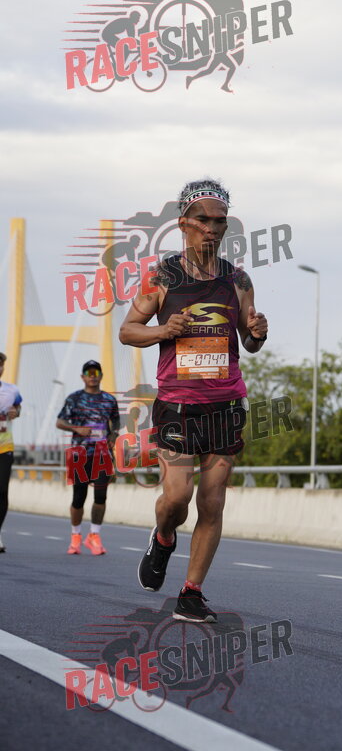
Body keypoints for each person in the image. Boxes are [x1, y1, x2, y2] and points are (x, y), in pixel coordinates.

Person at [119, 179, 268, 622]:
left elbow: (249, 340)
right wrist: (163, 330)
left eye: (220, 221)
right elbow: (127, 331)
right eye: (203, 220)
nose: (212, 228)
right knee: (177, 498)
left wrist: (257, 334)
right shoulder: (162, 277)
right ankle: (164, 537)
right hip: (178, 406)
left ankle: (191, 592)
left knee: (212, 503)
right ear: (182, 222)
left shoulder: (238, 280)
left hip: (225, 406)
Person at [57, 361, 120, 556]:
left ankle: (94, 535)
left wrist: (113, 436)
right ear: (83, 377)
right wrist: (77, 428)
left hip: (102, 453)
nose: (93, 376)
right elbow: (60, 421)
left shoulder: (109, 400)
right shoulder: (74, 398)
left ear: (101, 375)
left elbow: (116, 422)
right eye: (89, 373)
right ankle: (75, 536)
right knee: (79, 497)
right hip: (79, 453)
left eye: (96, 372)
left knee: (101, 496)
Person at [0, 352, 22, 553]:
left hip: (4, 446)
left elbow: (18, 407)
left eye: (1, 365)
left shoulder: (11, 390)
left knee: (2, 491)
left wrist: (16, 412)